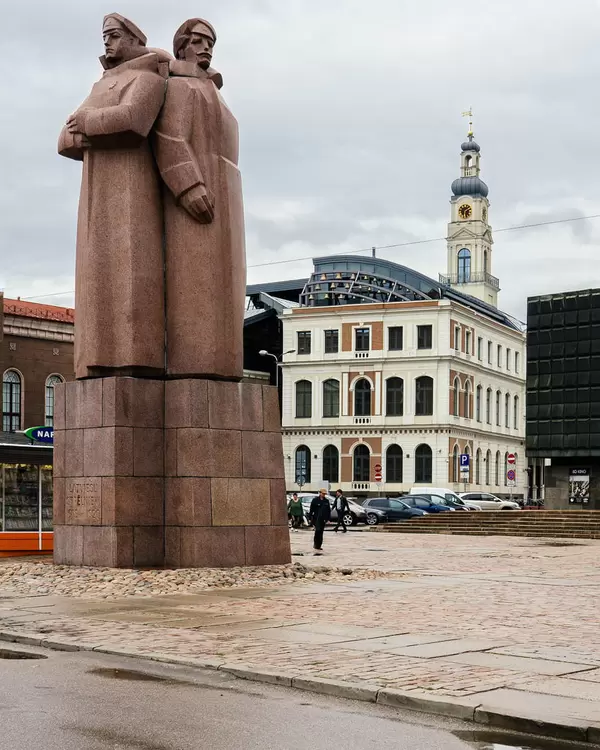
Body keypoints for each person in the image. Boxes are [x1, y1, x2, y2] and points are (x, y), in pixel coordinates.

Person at [58, 14, 168, 379]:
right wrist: (97, 127)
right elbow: (64, 139)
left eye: (114, 36)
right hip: (96, 193)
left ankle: (132, 356)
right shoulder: (101, 84)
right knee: (98, 274)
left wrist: (89, 124)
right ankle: (98, 358)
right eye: (105, 37)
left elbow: (134, 120)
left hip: (133, 189)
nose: (107, 43)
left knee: (131, 269)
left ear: (136, 40)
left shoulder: (148, 77)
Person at [153, 18, 246, 380]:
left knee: (226, 288)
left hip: (226, 199)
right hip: (196, 203)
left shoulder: (211, 90)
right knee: (196, 287)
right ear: (181, 47)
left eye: (209, 42)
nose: (205, 47)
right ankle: (195, 364)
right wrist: (188, 186)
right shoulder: (180, 87)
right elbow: (170, 138)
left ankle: (221, 364)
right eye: (196, 41)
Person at [309, 488, 331, 553]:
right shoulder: (315, 500)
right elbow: (311, 509)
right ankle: (316, 544)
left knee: (321, 532)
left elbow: (328, 511)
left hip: (323, 519)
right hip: (316, 518)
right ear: (320, 493)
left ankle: (319, 545)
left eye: (324, 494)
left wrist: (328, 519)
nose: (324, 495)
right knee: (317, 531)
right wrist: (310, 518)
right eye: (323, 493)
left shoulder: (326, 501)